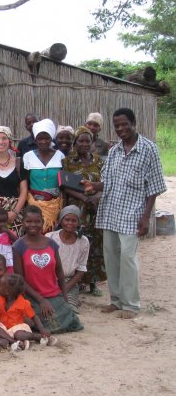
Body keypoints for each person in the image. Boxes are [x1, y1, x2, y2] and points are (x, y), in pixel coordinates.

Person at [83, 108, 167, 319]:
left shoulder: (148, 149)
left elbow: (154, 187)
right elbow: (108, 182)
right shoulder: (114, 151)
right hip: (110, 210)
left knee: (128, 258)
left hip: (133, 213)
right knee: (111, 257)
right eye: (117, 126)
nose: (121, 129)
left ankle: (130, 305)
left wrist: (146, 217)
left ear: (133, 123)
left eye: (124, 124)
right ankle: (116, 300)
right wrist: (94, 186)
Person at [13, 206, 83, 333]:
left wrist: (64, 297)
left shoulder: (51, 244)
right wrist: (41, 300)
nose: (33, 225)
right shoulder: (18, 246)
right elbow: (20, 280)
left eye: (37, 221)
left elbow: (59, 272)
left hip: (54, 294)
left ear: (42, 222)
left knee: (73, 324)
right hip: (32, 296)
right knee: (47, 326)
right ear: (23, 222)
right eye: (29, 221)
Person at [62, 126, 105, 295]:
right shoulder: (68, 161)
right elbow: (65, 185)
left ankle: (93, 282)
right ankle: (78, 282)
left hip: (97, 208)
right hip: (78, 209)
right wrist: (85, 199)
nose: (84, 144)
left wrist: (96, 197)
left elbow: (107, 182)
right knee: (78, 243)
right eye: (81, 141)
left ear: (92, 142)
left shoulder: (98, 161)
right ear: (75, 143)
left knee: (95, 244)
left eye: (88, 141)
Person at [0, 274, 57, 351]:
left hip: (18, 328)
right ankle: (15, 342)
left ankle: (38, 337)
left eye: (0, 286)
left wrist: (42, 329)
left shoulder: (24, 303)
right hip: (3, 328)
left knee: (19, 334)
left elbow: (34, 317)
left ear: (7, 291)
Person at [23, 119, 64, 233]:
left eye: (47, 138)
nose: (43, 141)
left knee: (52, 233)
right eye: (40, 138)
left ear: (51, 138)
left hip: (55, 205)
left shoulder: (60, 156)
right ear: (35, 140)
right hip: (34, 204)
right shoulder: (28, 157)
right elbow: (25, 181)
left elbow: (63, 184)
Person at [46, 206, 90, 313]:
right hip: (49, 280)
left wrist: (64, 288)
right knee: (47, 307)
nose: (70, 223)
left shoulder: (83, 241)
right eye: (67, 220)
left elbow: (81, 269)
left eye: (74, 220)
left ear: (78, 223)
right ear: (61, 221)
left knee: (69, 310)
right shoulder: (50, 237)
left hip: (69, 282)